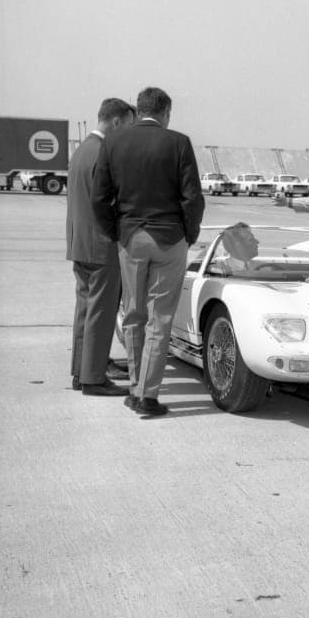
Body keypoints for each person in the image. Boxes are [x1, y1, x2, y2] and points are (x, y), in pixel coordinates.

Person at [91, 87, 205, 417]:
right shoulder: (178, 142)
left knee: (133, 314)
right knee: (160, 318)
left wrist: (117, 233)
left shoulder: (113, 142)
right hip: (169, 239)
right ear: (165, 112)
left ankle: (135, 387)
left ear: (139, 110)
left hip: (130, 238)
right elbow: (192, 198)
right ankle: (147, 396)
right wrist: (189, 233)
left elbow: (99, 198)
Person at [66, 98, 135, 396]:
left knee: (85, 310)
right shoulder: (104, 153)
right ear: (117, 122)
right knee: (101, 313)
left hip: (80, 243)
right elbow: (109, 204)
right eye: (128, 126)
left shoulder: (82, 150)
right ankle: (94, 379)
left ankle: (81, 372)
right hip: (101, 246)